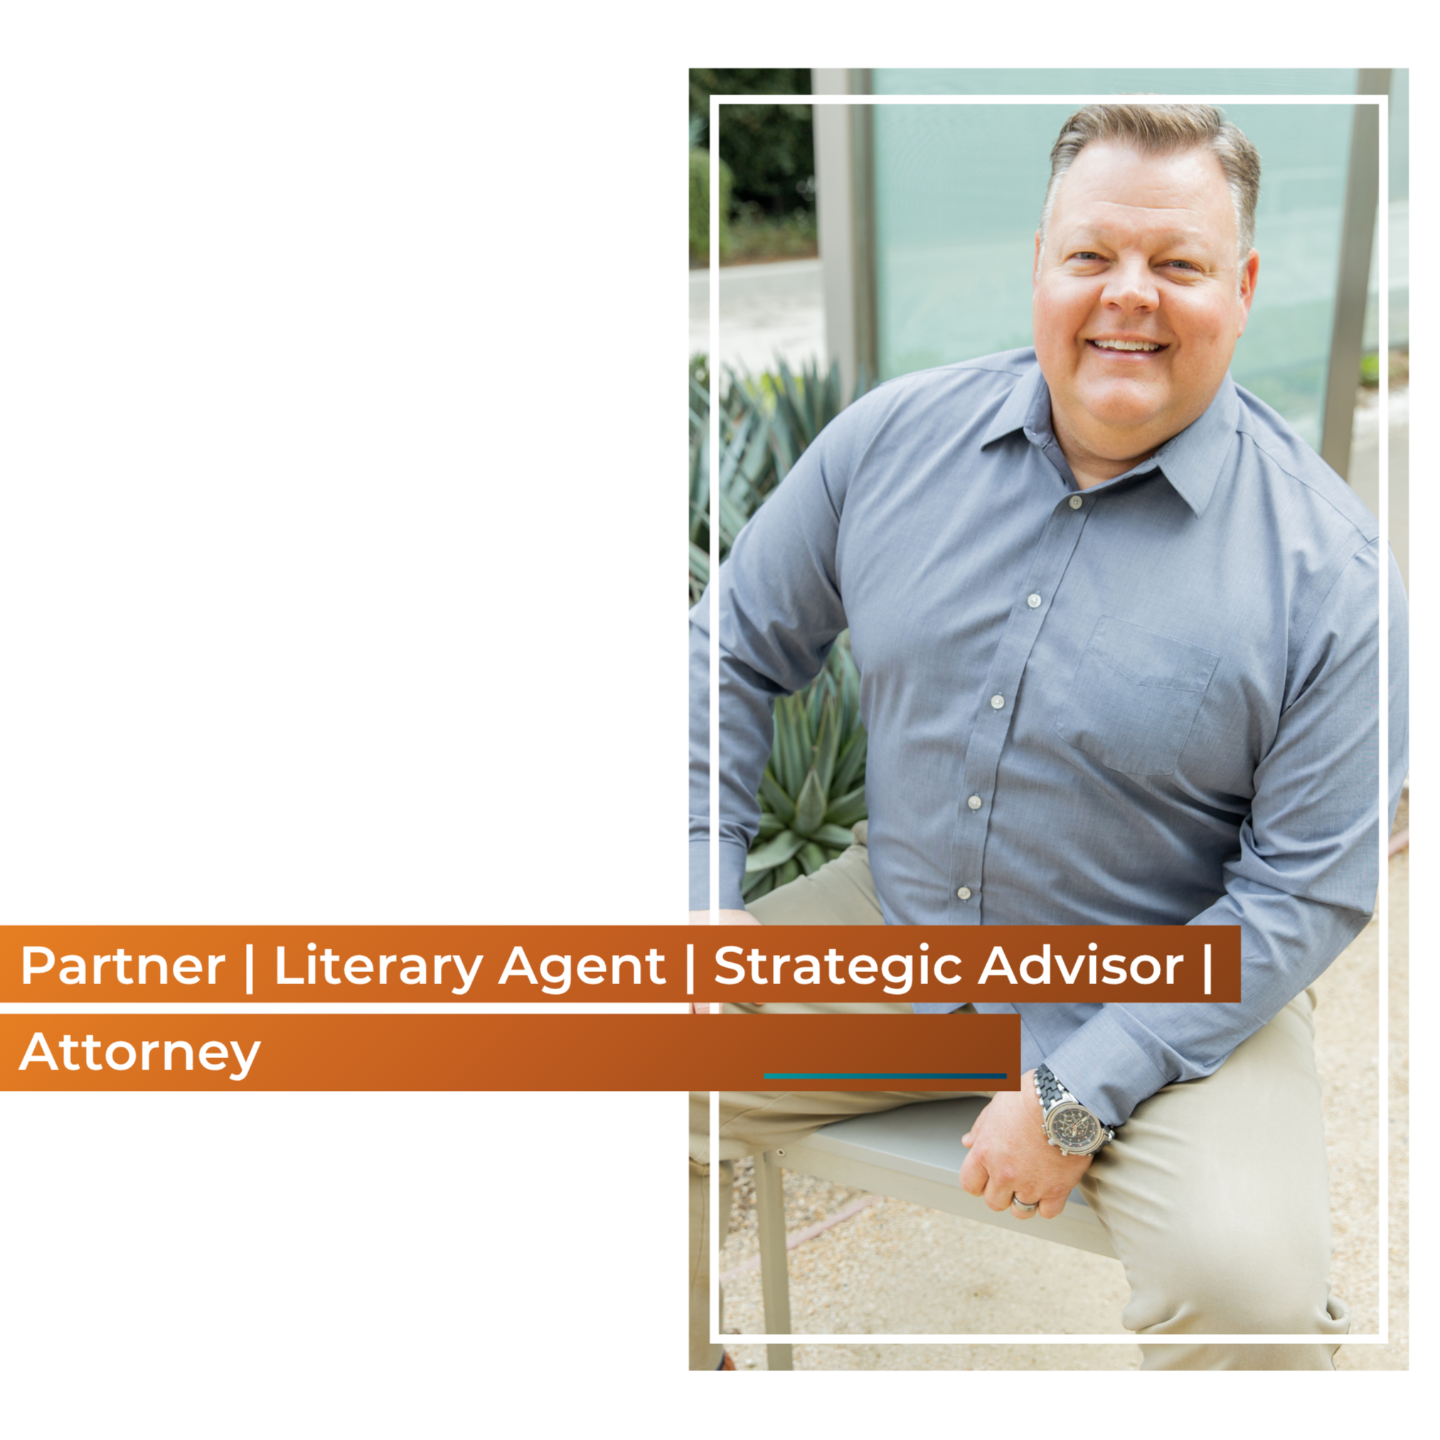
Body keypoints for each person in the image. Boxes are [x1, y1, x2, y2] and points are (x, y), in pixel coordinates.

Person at [686, 103, 1409, 1372]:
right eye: (1092, 256)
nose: (1128, 296)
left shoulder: (1336, 573)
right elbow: (727, 649)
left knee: (1249, 1302)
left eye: (1177, 264)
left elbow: (1306, 890)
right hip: (896, 930)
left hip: (1176, 992)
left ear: (1239, 289)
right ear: (1039, 264)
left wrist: (1077, 1092)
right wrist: (705, 891)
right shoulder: (890, 445)